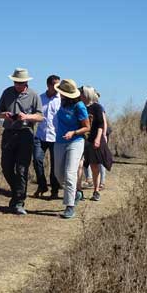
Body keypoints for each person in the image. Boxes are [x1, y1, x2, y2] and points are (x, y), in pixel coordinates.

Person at [0, 68, 43, 215]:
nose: (17, 84)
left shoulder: (34, 95)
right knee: (6, 167)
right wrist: (5, 115)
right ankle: (17, 193)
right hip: (9, 133)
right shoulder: (7, 92)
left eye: (20, 82)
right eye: (16, 82)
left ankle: (19, 202)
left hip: (25, 134)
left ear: (26, 82)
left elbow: (40, 117)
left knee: (22, 169)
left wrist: (27, 117)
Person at [53, 79, 90, 219]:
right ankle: (75, 193)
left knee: (70, 173)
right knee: (58, 174)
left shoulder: (79, 106)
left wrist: (73, 132)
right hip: (59, 141)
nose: (60, 94)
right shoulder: (61, 103)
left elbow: (87, 127)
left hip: (75, 141)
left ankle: (69, 206)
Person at [81, 86, 113, 202]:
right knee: (81, 165)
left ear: (86, 95)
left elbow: (101, 124)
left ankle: (96, 190)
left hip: (93, 138)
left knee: (95, 166)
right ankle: (78, 191)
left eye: (82, 93)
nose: (80, 95)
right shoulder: (80, 106)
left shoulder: (97, 107)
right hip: (82, 139)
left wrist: (98, 139)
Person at [32, 74, 61, 199]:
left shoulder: (61, 99)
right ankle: (42, 184)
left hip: (56, 137)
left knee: (55, 165)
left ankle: (54, 190)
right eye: (56, 85)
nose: (59, 87)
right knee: (37, 159)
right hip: (40, 135)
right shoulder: (40, 98)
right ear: (49, 85)